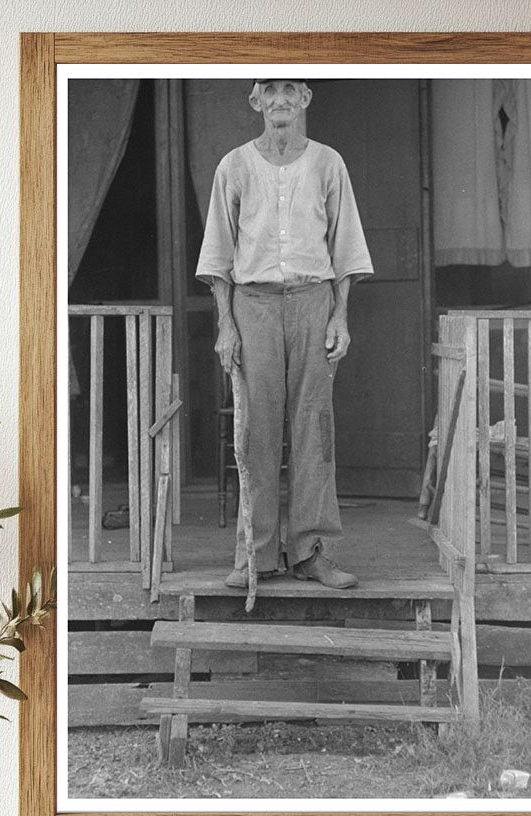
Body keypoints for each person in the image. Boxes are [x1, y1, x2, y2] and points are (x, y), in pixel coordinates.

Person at [196, 79, 373, 590]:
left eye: (289, 90)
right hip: (253, 307)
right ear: (255, 101)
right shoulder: (233, 166)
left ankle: (313, 553)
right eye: (269, 90)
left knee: (314, 427)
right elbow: (218, 257)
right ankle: (255, 556)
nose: (279, 100)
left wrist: (339, 316)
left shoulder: (327, 163)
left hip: (313, 303)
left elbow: (346, 248)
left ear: (305, 99)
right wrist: (227, 326)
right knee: (256, 430)